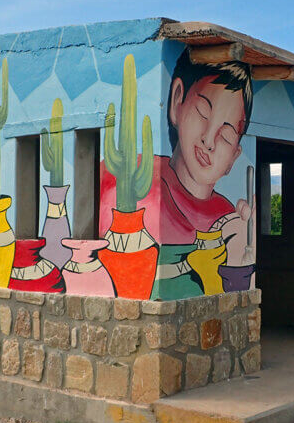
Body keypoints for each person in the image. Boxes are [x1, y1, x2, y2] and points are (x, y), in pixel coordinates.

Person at [99, 49, 255, 296]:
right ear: (176, 101)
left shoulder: (230, 220)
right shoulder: (127, 178)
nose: (209, 140)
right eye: (203, 112)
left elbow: (235, 300)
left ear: (233, 158)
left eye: (226, 136)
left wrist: (238, 257)